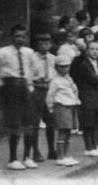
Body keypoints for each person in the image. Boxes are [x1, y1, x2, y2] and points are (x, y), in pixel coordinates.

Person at [0, 24, 39, 170]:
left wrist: (29, 84)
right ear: (11, 37)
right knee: (14, 123)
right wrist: (2, 86)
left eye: (23, 36)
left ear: (26, 38)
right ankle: (13, 159)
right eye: (17, 36)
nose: (20, 39)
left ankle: (27, 157)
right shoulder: (2, 52)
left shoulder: (29, 52)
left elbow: (36, 69)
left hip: (25, 88)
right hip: (10, 87)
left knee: (29, 122)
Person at [72, 41, 98, 157]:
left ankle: (95, 145)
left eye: (97, 49)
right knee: (88, 123)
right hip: (88, 95)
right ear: (87, 51)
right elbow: (93, 79)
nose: (95, 52)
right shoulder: (84, 64)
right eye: (92, 49)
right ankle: (88, 147)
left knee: (96, 122)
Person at [45, 54, 81, 167]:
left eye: (67, 66)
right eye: (62, 66)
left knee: (68, 132)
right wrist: (51, 109)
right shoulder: (55, 81)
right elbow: (49, 97)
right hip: (61, 107)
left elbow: (74, 92)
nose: (65, 69)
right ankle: (60, 157)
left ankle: (66, 154)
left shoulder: (69, 79)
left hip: (71, 107)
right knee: (62, 132)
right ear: (56, 67)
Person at [30, 33, 57, 162]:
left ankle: (52, 150)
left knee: (51, 122)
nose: (45, 45)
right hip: (36, 90)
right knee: (35, 122)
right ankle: (35, 151)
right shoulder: (31, 58)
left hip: (49, 90)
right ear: (36, 44)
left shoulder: (53, 58)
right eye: (41, 43)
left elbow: (56, 75)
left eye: (47, 43)